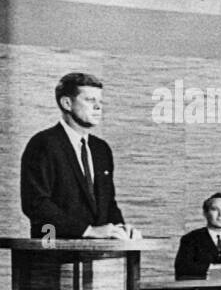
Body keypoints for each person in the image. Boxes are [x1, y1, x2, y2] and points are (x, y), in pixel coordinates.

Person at [20, 72, 137, 240]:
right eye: (90, 100)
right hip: (53, 252)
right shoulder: (43, 144)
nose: (98, 107)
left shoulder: (101, 149)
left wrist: (121, 229)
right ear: (67, 103)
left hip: (96, 257)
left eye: (100, 101)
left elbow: (107, 202)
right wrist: (87, 231)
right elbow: (36, 204)